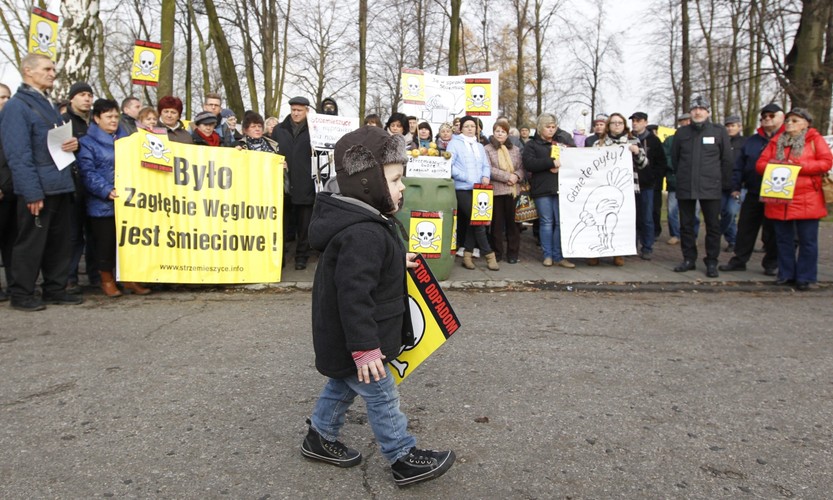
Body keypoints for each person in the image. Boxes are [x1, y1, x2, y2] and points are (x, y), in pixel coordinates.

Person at [302, 124, 455, 486]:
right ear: (368, 182)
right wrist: (366, 349)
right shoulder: (363, 233)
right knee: (383, 395)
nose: (402, 187)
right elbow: (354, 295)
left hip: (348, 341)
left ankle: (319, 436)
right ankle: (403, 456)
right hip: (359, 340)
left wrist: (394, 259)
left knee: (342, 385)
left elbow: (359, 267)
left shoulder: (363, 222)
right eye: (396, 179)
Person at [0, 53, 83, 311]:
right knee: (31, 242)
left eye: (53, 69)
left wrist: (73, 145)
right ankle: (22, 293)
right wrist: (31, 192)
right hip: (39, 187)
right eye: (47, 69)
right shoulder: (17, 106)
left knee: (59, 241)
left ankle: (55, 288)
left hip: (58, 182)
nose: (52, 73)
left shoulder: (45, 103)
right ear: (28, 71)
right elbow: (18, 153)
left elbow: (53, 142)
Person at [77, 98, 151, 297]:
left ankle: (128, 278)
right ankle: (106, 279)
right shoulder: (87, 143)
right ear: (96, 118)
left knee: (127, 243)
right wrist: (106, 190)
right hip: (103, 203)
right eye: (109, 116)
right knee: (105, 244)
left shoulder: (126, 140)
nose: (113, 120)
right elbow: (88, 172)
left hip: (127, 200)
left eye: (116, 116)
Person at [755, 108, 832, 291]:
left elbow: (826, 162)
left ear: (806, 123)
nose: (790, 123)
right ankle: (786, 273)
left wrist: (798, 166)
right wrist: (777, 167)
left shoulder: (814, 140)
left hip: (807, 197)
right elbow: (760, 164)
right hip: (780, 197)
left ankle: (805, 277)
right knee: (783, 239)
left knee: (807, 240)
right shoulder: (776, 141)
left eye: (795, 120)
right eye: (788, 120)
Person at [670, 96, 734, 278]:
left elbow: (726, 160)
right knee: (686, 225)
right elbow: (675, 159)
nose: (698, 112)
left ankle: (712, 261)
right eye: (695, 109)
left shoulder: (719, 131)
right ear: (691, 112)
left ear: (708, 112)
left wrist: (721, 182)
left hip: (711, 187)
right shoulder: (681, 133)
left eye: (702, 109)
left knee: (713, 226)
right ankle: (689, 259)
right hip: (686, 186)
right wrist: (682, 175)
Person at [719, 104, 784, 276]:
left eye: (771, 116)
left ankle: (771, 263)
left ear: (780, 117)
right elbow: (739, 165)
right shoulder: (752, 141)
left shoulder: (786, 139)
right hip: (753, 190)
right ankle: (739, 260)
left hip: (776, 192)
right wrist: (736, 186)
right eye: (764, 116)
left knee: (771, 230)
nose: (767, 119)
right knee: (745, 227)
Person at [589, 113, 648, 267]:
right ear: (609, 125)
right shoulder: (599, 143)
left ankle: (618, 252)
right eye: (614, 122)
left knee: (621, 222)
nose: (617, 125)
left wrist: (637, 152)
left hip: (627, 189)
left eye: (620, 123)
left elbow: (644, 164)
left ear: (624, 125)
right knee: (600, 220)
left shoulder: (633, 141)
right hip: (603, 189)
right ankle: (597, 252)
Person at [522, 112, 577, 268]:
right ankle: (547, 255)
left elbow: (573, 160)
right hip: (542, 188)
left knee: (560, 223)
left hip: (561, 188)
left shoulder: (560, 143)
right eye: (548, 127)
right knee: (546, 222)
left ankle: (559, 256)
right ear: (540, 128)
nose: (551, 130)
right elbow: (529, 164)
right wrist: (551, 163)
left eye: (553, 127)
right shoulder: (531, 145)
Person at [447, 115, 498, 271]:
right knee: (479, 220)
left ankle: (467, 255)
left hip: (479, 189)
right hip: (462, 188)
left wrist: (485, 176)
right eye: (467, 126)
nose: (470, 129)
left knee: (474, 221)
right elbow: (449, 164)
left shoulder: (480, 146)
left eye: (472, 126)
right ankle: (489, 254)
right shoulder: (454, 144)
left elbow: (485, 165)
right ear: (461, 128)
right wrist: (465, 176)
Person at [272, 96, 315, 270]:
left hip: (305, 183)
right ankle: (279, 257)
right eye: (293, 110)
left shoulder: (314, 130)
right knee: (281, 224)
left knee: (304, 225)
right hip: (283, 184)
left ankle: (301, 257)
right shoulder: (279, 130)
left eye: (300, 110)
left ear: (307, 111)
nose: (296, 113)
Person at [63, 81, 97, 294]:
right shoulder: (63, 121)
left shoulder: (96, 121)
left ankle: (95, 276)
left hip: (94, 185)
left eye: (89, 94)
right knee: (73, 235)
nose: (86, 98)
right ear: (72, 98)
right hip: (73, 183)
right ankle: (69, 277)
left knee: (94, 233)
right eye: (82, 94)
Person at [484, 119, 524, 263]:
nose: (500, 134)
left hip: (513, 191)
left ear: (507, 134)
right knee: (497, 225)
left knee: (513, 225)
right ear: (493, 133)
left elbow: (521, 167)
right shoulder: (487, 148)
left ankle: (513, 254)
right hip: (497, 191)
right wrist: (508, 176)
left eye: (503, 131)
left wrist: (516, 176)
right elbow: (489, 169)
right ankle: (497, 253)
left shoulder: (515, 149)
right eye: (497, 131)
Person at [630, 111, 666, 260]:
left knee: (647, 217)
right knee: (633, 217)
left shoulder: (653, 140)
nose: (635, 123)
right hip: (630, 185)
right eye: (633, 121)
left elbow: (661, 163)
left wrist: (654, 179)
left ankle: (647, 247)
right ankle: (632, 246)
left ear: (645, 122)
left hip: (647, 185)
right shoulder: (628, 139)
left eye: (638, 121)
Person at [720, 114, 745, 253]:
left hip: (738, 186)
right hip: (721, 184)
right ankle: (732, 240)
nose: (730, 128)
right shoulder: (722, 142)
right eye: (728, 126)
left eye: (733, 126)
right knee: (724, 213)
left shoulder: (745, 142)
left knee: (731, 212)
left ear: (739, 127)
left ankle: (718, 233)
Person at [0, 82, 13, 300]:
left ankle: (15, 284)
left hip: (14, 190)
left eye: (7, 97)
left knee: (13, 242)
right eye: (1, 97)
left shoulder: (12, 124)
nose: (5, 102)